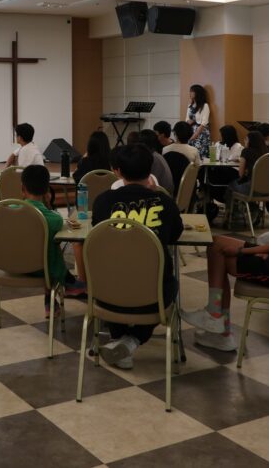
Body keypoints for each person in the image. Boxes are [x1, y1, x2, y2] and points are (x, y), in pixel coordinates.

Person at [185, 152, 269, 352]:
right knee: (216, 244)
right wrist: (255, 251)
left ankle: (218, 325)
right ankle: (215, 319)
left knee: (221, 254)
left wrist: (242, 251)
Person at [91, 144, 183, 370]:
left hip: (107, 292)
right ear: (150, 171)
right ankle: (132, 341)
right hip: (153, 296)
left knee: (113, 276)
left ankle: (119, 340)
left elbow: (97, 235)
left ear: (118, 171)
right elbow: (174, 236)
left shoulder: (103, 201)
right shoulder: (165, 203)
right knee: (171, 285)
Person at [20, 165, 68, 315]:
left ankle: (62, 286)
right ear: (47, 190)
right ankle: (61, 286)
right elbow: (54, 221)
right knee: (53, 243)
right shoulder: (54, 219)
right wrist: (48, 205)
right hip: (41, 271)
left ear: (22, 188)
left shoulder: (4, 212)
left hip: (8, 267)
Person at [138, 129, 175, 195]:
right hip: (164, 192)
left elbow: (150, 182)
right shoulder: (156, 155)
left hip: (163, 195)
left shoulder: (153, 158)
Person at [185, 84, 211, 159]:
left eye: (192, 91)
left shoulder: (205, 106)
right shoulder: (190, 106)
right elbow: (187, 120)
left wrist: (194, 135)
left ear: (198, 93)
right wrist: (193, 121)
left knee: (200, 156)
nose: (190, 93)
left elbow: (203, 123)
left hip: (201, 133)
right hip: (191, 131)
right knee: (191, 156)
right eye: (190, 91)